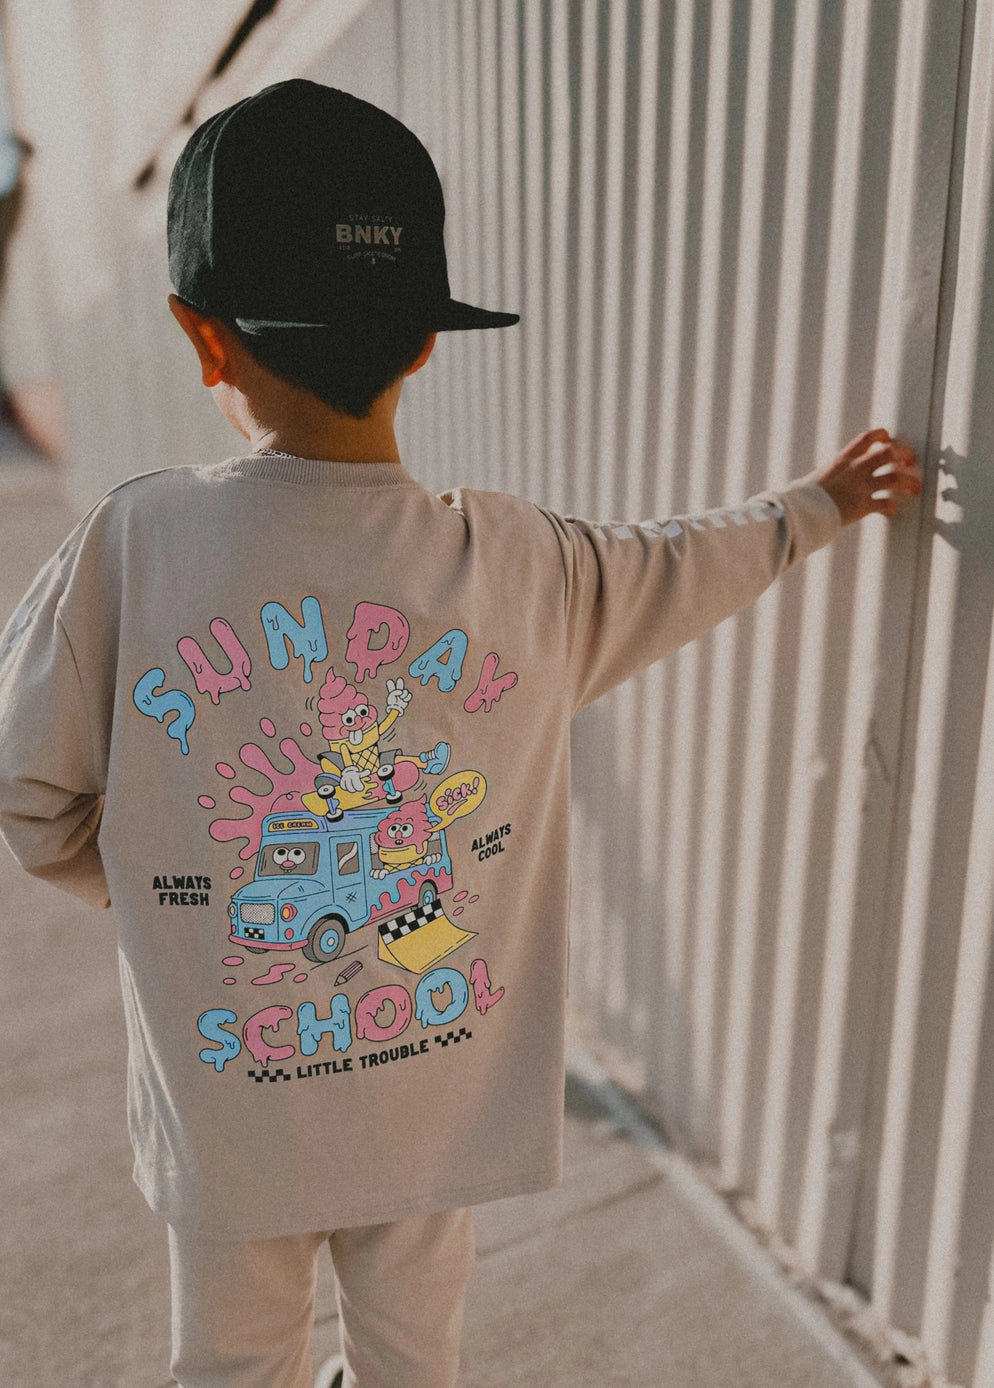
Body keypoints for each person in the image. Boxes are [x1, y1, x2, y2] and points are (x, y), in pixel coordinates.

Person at [0, 80, 921, 1388]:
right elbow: (683, 563)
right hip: (429, 1100)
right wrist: (816, 506)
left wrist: (147, 884)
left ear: (202, 339)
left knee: (231, 1360)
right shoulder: (525, 565)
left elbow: (26, 788)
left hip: (230, 1109)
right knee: (411, 1357)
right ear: (426, 343)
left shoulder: (133, 547)